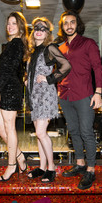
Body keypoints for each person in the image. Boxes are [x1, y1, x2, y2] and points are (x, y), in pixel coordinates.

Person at [57, 10, 102, 190]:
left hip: (84, 95)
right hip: (65, 96)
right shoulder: (60, 48)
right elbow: (60, 71)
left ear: (77, 24)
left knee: (86, 132)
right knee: (74, 132)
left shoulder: (88, 43)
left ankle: (90, 170)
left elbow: (98, 68)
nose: (69, 25)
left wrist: (98, 92)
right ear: (62, 27)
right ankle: (80, 163)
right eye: (65, 23)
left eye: (72, 22)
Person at [25, 17, 71, 183]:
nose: (39, 30)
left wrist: (49, 78)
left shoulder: (49, 48)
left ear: (47, 33)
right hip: (35, 96)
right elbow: (32, 72)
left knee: (40, 132)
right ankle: (42, 167)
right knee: (39, 134)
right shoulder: (32, 52)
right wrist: (27, 78)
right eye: (36, 27)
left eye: (43, 28)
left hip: (45, 95)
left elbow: (66, 65)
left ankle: (51, 168)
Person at [0, 11, 29, 181]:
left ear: (20, 27)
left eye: (14, 23)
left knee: (9, 128)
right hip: (5, 87)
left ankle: (11, 166)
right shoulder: (11, 44)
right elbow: (9, 70)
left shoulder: (16, 44)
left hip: (9, 89)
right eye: (8, 23)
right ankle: (20, 156)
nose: (10, 26)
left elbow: (9, 69)